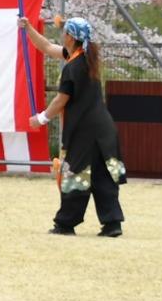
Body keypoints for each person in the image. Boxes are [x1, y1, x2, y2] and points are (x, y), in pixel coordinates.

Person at [23, 16, 125, 238]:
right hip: (103, 128)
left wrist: (41, 118)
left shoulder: (74, 67)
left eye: (64, 32)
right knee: (102, 176)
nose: (61, 35)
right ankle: (112, 224)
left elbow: (61, 100)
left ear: (70, 36)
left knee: (75, 175)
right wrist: (28, 28)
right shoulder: (83, 58)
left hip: (86, 130)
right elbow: (47, 47)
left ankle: (65, 223)